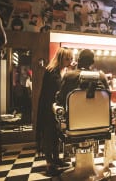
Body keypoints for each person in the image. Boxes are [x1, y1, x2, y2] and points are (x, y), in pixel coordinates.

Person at [37, 47, 73, 176]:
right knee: (49, 135)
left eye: (71, 58)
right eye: (67, 59)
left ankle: (56, 159)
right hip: (48, 107)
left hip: (54, 107)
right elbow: (55, 91)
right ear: (60, 59)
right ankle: (49, 163)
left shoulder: (60, 71)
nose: (70, 61)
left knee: (56, 135)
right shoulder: (52, 71)